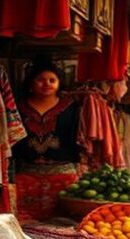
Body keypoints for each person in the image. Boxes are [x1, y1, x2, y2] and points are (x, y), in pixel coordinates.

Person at [13, 59, 81, 222]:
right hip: (25, 175)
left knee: (62, 222)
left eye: (52, 80)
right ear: (31, 83)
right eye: (41, 80)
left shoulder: (72, 108)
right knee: (24, 223)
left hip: (63, 176)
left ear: (59, 83)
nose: (47, 84)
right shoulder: (17, 108)